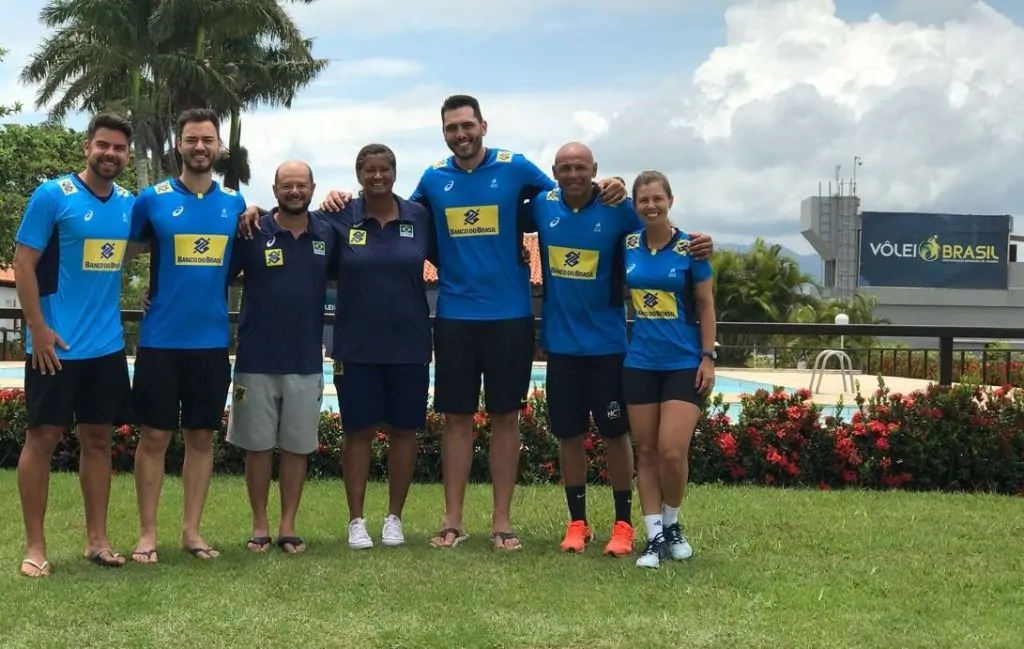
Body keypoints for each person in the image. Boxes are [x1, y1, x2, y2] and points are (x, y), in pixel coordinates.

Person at [318, 94, 628, 552]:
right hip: (455, 316)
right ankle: (452, 521)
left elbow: (566, 196)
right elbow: (393, 209)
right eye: (452, 127)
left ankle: (502, 522)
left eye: (467, 125)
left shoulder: (515, 167)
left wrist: (608, 184)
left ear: (483, 126)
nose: (461, 134)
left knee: (506, 418)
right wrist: (339, 197)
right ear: (444, 132)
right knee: (456, 419)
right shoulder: (433, 178)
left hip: (510, 315)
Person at [524, 143, 714, 557]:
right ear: (553, 172)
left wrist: (699, 245)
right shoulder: (541, 206)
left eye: (581, 167)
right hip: (561, 346)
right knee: (569, 436)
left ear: (594, 170)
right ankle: (577, 523)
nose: (573, 174)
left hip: (608, 348)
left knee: (616, 436)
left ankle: (624, 524)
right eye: (565, 168)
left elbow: (659, 229)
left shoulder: (618, 208)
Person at [12, 113, 136, 577]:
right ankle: (35, 548)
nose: (110, 154)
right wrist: (38, 328)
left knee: (99, 440)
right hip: (55, 346)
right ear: (87, 148)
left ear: (127, 155)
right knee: (42, 439)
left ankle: (97, 541)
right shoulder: (53, 195)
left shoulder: (128, 204)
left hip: (106, 346)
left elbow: (151, 243)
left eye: (119, 148)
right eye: (103, 145)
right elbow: (23, 264)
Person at [128, 108, 246, 563]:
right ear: (178, 145)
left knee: (201, 439)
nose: (200, 147)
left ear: (220, 147)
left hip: (211, 342)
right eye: (192, 139)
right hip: (160, 341)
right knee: (154, 438)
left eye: (207, 140)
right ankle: (147, 534)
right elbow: (124, 253)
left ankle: (192, 532)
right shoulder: (151, 200)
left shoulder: (235, 204)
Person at [225, 160, 335, 555]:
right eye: (286, 185)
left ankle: (288, 526)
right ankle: (260, 526)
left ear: (312, 189)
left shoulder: (327, 232)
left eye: (301, 185)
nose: (294, 191)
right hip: (255, 359)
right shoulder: (252, 230)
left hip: (305, 361)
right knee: (257, 448)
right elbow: (215, 276)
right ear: (274, 191)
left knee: (296, 448)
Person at [331, 144, 434, 550]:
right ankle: (356, 521)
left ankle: (394, 518)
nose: (377, 176)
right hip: (355, 345)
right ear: (359, 175)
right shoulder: (341, 215)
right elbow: (293, 224)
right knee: (357, 432)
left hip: (409, 343)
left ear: (394, 172)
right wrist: (252, 211)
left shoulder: (419, 217)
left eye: (384, 170)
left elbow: (457, 256)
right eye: (369, 170)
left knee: (404, 431)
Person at [621, 170, 717, 569]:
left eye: (657, 198)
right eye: (643, 200)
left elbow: (706, 305)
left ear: (670, 201)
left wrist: (708, 357)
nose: (651, 206)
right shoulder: (627, 245)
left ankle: (672, 523)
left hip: (683, 363)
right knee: (645, 453)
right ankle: (653, 536)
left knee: (672, 452)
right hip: (640, 362)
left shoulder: (691, 249)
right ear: (635, 205)